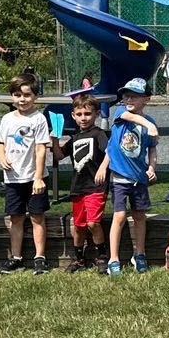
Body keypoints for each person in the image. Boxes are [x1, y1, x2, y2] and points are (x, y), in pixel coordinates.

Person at [99, 78, 159, 276]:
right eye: (126, 95)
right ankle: (113, 259)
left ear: (146, 99)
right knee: (120, 216)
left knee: (140, 216)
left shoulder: (150, 122)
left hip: (139, 177)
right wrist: (148, 125)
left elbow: (152, 149)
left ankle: (139, 254)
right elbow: (132, 118)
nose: (129, 99)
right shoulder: (120, 113)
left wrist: (152, 167)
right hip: (120, 177)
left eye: (134, 96)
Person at [0, 75, 52, 273]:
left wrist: (38, 177)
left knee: (37, 216)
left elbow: (41, 149)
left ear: (35, 96)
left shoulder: (39, 119)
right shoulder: (7, 119)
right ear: (12, 96)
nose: (22, 99)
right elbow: (0, 143)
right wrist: (0, 157)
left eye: (27, 95)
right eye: (17, 95)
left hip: (34, 179)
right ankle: (16, 257)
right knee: (15, 218)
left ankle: (40, 257)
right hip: (12, 178)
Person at [55, 95, 107, 273]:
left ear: (96, 114)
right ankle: (78, 258)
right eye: (79, 114)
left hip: (95, 187)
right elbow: (59, 155)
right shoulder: (74, 138)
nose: (83, 117)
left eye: (87, 113)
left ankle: (102, 255)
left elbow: (110, 152)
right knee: (78, 225)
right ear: (73, 115)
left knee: (93, 223)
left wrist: (103, 168)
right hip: (78, 188)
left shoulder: (99, 134)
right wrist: (54, 140)